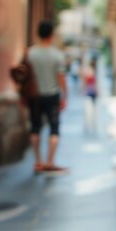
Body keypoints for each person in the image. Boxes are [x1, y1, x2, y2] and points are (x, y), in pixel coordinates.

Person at [27, 20, 69, 175]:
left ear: (38, 34)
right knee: (54, 129)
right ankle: (50, 162)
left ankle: (38, 162)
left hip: (35, 97)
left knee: (35, 128)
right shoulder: (57, 55)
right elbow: (61, 78)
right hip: (52, 96)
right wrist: (65, 95)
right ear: (51, 35)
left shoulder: (30, 53)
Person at [82, 58, 98, 135]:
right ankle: (89, 125)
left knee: (91, 110)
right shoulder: (91, 72)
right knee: (89, 110)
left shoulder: (93, 72)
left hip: (90, 92)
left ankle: (91, 125)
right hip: (90, 92)